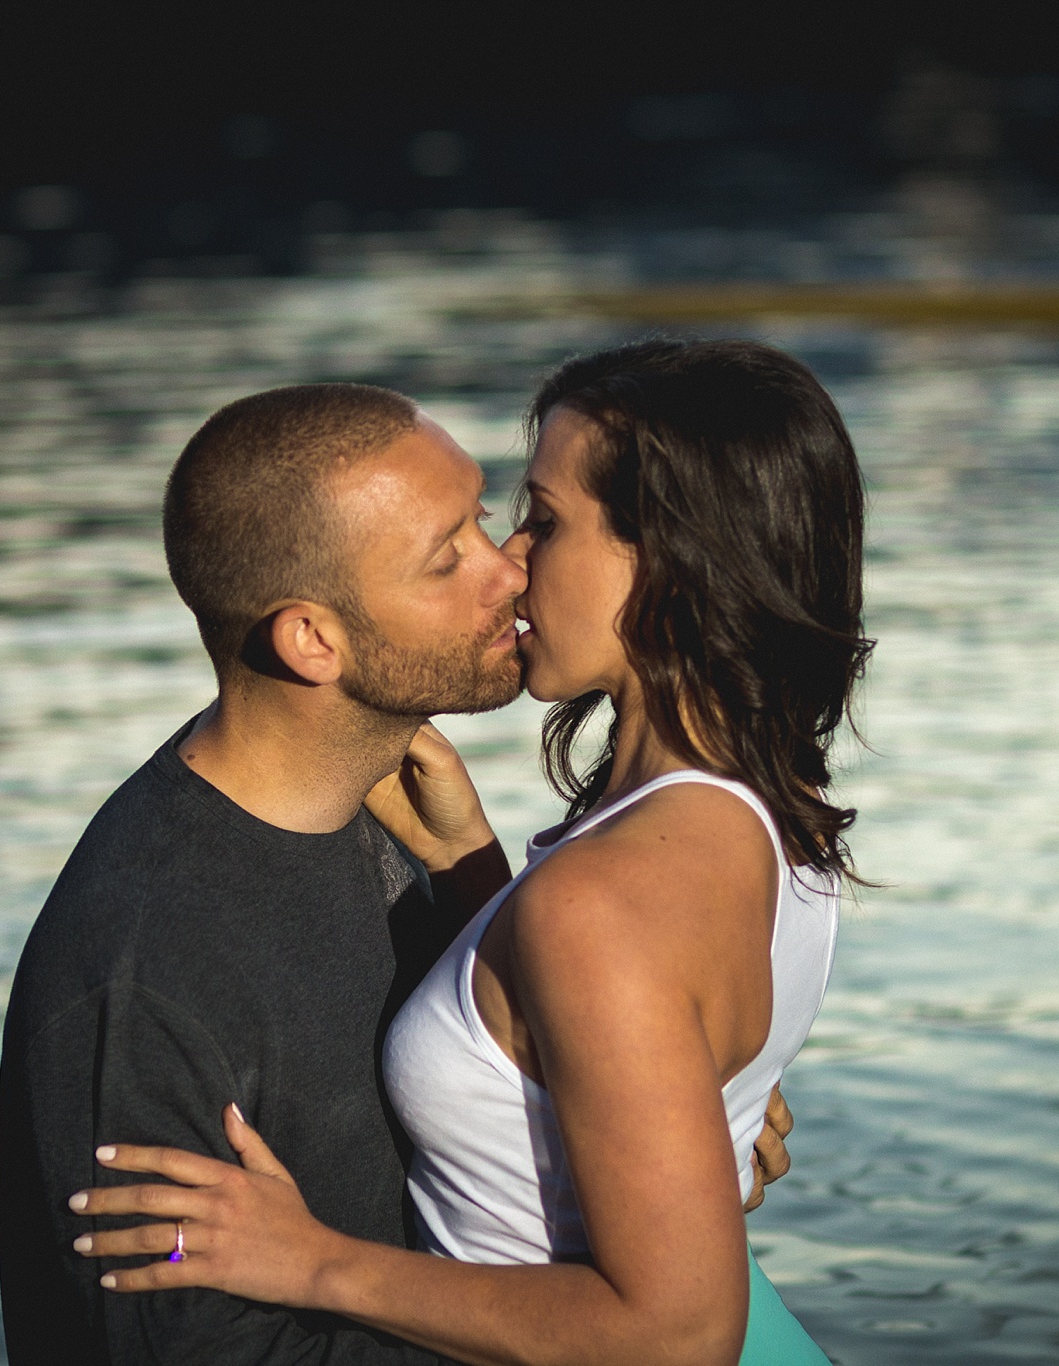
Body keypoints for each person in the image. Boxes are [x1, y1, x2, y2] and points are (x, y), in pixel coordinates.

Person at [68, 339, 870, 1366]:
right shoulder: (765, 806)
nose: (509, 564)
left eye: (543, 519)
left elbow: (677, 1334)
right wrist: (474, 872)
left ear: (668, 562)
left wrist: (310, 1260)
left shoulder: (605, 901)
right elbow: (587, 1058)